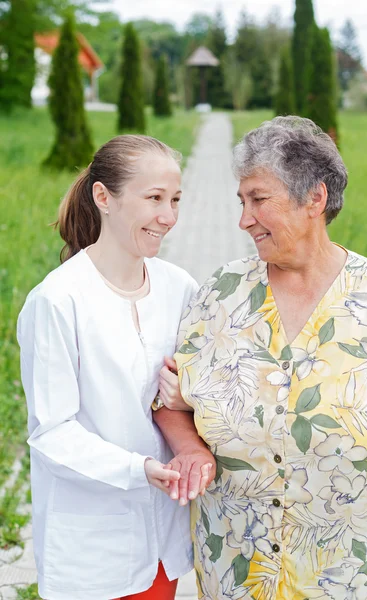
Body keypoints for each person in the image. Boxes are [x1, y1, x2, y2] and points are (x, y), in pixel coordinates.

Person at [163, 117, 367, 599]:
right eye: (241, 201)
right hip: (236, 574)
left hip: (350, 578)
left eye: (259, 200)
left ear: (315, 199)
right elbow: (171, 401)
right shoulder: (220, 295)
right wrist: (189, 447)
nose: (243, 219)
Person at [17, 135, 215, 600]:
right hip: (92, 548)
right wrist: (139, 468)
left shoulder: (179, 288)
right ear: (103, 197)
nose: (168, 216)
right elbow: (52, 431)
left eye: (175, 200)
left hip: (162, 541)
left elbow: (194, 388)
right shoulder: (58, 301)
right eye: (154, 199)